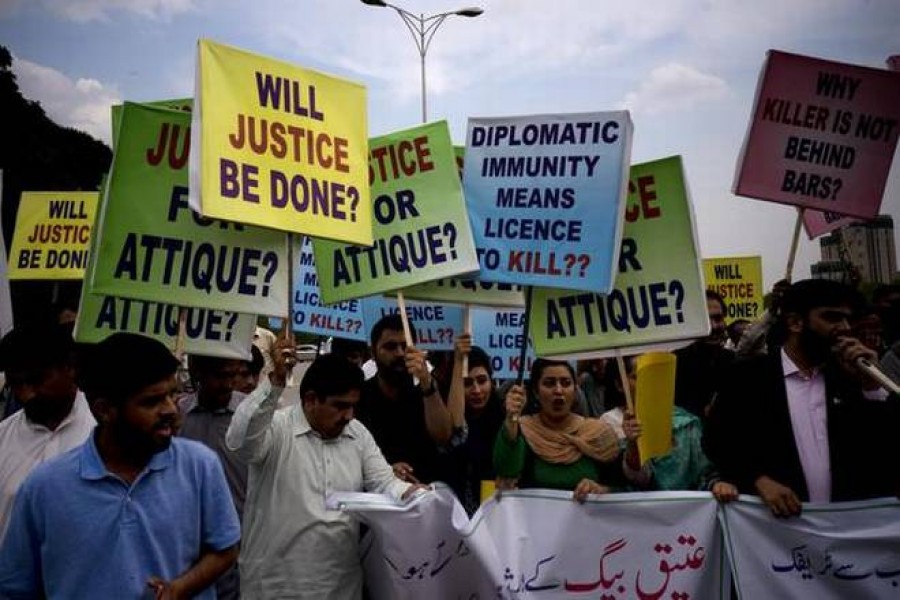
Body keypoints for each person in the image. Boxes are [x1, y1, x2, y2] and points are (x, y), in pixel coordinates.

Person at [0, 332, 240, 598]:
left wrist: (179, 589)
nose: (171, 410)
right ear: (104, 409)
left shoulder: (200, 466)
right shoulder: (43, 488)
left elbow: (225, 548)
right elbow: (16, 587)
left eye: (172, 395)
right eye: (152, 401)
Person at [225, 339, 425, 599]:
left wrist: (414, 494)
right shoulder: (276, 430)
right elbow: (240, 442)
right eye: (340, 406)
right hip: (275, 589)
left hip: (341, 589)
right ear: (310, 400)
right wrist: (274, 382)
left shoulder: (357, 434)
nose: (349, 415)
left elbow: (385, 483)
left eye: (353, 406)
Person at [704, 279, 900, 517]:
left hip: (847, 531)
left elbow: (883, 451)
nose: (845, 328)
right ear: (796, 323)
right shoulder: (748, 378)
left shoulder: (850, 379)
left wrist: (870, 385)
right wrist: (758, 479)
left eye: (847, 319)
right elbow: (719, 443)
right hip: (778, 532)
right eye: (832, 318)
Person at [0, 323, 95, 540]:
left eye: (36, 380)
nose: (26, 395)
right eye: (15, 384)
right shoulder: (2, 438)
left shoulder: (106, 435)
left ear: (70, 368)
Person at [605, 356, 738, 501]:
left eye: (653, 376)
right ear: (620, 385)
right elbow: (636, 482)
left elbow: (706, 474)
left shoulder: (687, 424)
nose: (648, 383)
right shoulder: (611, 424)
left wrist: (718, 485)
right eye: (638, 377)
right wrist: (633, 444)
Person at [494, 359, 622, 502]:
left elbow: (625, 490)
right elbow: (506, 471)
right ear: (536, 392)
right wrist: (512, 417)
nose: (558, 390)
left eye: (566, 383)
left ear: (575, 390)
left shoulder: (597, 433)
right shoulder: (524, 430)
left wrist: (601, 491)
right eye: (549, 383)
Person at [178, 354, 249, 600]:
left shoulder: (252, 416)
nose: (228, 383)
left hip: (244, 544)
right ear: (198, 374)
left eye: (233, 375)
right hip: (190, 544)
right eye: (220, 376)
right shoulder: (177, 416)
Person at [355, 314, 453, 485]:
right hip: (376, 499)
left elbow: (443, 435)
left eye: (405, 346)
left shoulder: (428, 392)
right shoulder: (359, 398)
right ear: (373, 352)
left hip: (424, 497)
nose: (400, 353)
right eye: (391, 347)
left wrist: (427, 383)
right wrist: (385, 472)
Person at [445, 336, 505, 515]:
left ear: (492, 381)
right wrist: (457, 363)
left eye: (482, 380)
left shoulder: (503, 420)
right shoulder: (446, 422)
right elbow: (455, 427)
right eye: (467, 383)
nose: (477, 390)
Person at [673, 290, 735, 419]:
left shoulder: (734, 362)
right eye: (705, 320)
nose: (713, 326)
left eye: (718, 318)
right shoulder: (674, 365)